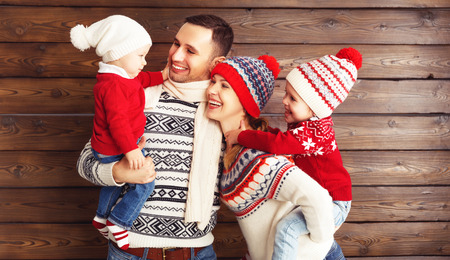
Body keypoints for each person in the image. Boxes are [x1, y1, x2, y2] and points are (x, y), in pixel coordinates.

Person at [77, 14, 233, 259]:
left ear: (217, 62)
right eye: (176, 43)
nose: (176, 56)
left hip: (198, 251)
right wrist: (119, 173)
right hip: (132, 252)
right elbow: (85, 163)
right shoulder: (136, 92)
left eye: (190, 50)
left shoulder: (224, 107)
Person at [224, 48, 362, 259]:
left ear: (314, 107)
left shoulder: (316, 132)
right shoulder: (307, 126)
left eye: (293, 98)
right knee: (312, 241)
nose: (285, 100)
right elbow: (282, 141)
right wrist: (257, 132)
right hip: (324, 198)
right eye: (286, 94)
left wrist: (241, 137)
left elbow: (279, 145)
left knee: (288, 229)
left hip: (334, 202)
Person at [206, 55, 336, 260]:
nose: (211, 90)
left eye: (224, 86)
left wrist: (318, 246)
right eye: (213, 81)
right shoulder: (236, 150)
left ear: (245, 102)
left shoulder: (257, 158)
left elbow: (317, 198)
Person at [71, 15, 169, 250]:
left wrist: (163, 76)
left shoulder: (122, 76)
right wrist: (132, 149)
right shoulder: (113, 86)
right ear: (117, 53)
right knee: (145, 183)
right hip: (114, 146)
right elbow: (118, 123)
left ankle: (101, 216)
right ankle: (119, 221)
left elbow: (143, 78)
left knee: (113, 184)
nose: (144, 62)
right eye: (140, 56)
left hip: (112, 145)